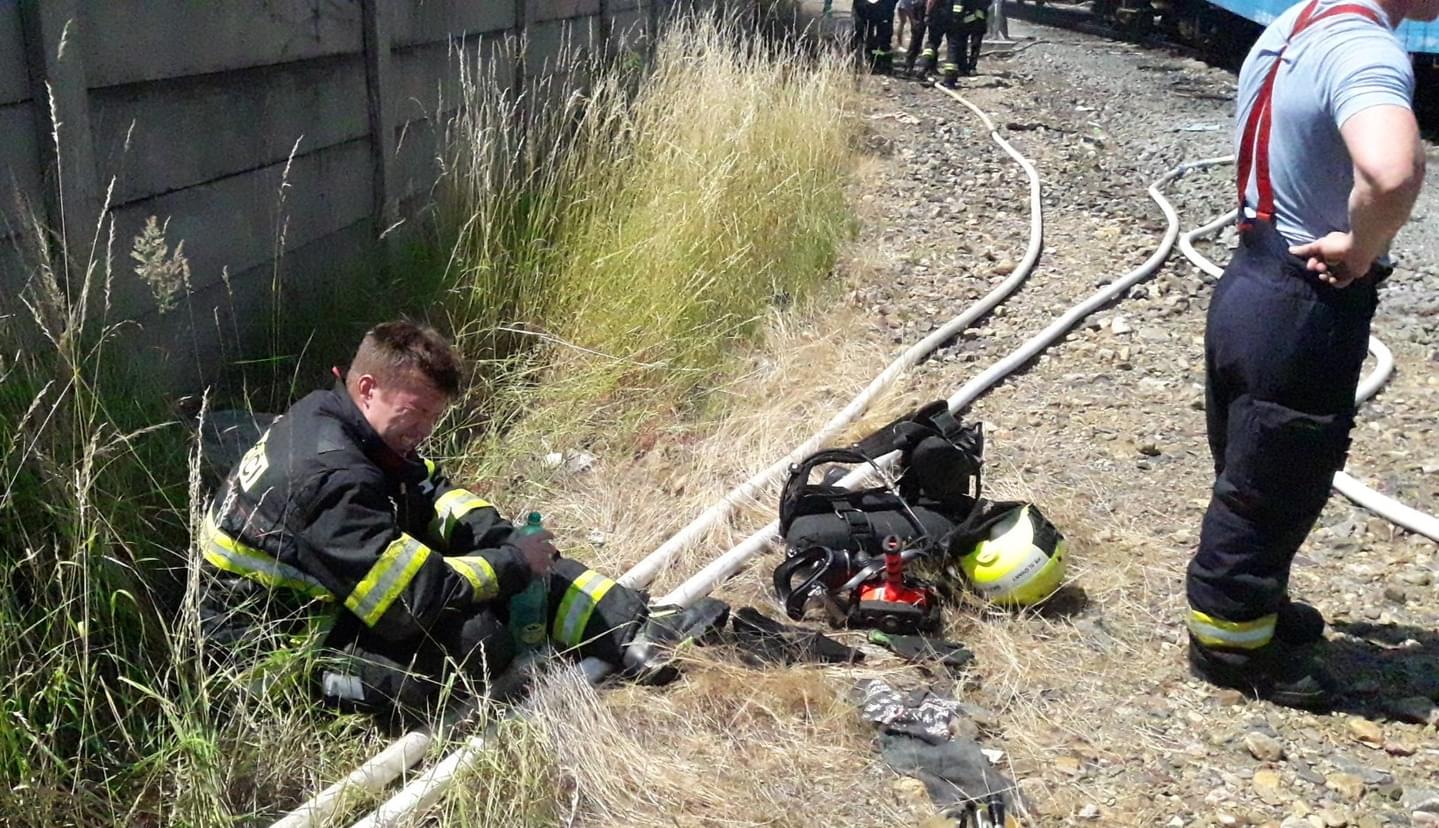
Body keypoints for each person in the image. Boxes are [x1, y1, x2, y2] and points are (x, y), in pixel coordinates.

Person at [198, 321, 682, 718]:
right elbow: (408, 603)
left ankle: (630, 626)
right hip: (277, 658)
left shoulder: (338, 418)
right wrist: (512, 562)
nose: (424, 431)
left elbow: (427, 489)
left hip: (340, 594)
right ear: (368, 388)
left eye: (434, 417)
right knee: (478, 637)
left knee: (507, 566)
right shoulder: (332, 480)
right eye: (416, 413)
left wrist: (504, 539)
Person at [1185, 0, 1431, 708]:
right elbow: (1390, 173)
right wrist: (1361, 248)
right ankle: (1232, 644)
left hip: (1249, 278)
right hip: (1303, 297)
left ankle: (1256, 604)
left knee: (1252, 464)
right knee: (1276, 481)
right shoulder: (1365, 48)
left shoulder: (1293, 24)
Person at [914, 0, 965, 88]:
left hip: (937, 17)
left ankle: (922, 67)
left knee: (932, 43)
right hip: (953, 19)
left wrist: (928, 15)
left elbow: (931, 2)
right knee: (953, 48)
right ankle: (949, 79)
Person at [853, 0, 900, 74]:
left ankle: (880, 63)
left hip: (884, 7)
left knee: (883, 39)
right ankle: (862, 61)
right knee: (862, 35)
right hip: (864, 7)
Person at [959, 0, 987, 75]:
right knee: (962, 44)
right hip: (966, 20)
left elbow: (987, 3)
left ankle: (972, 67)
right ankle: (962, 67)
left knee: (975, 45)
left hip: (979, 21)